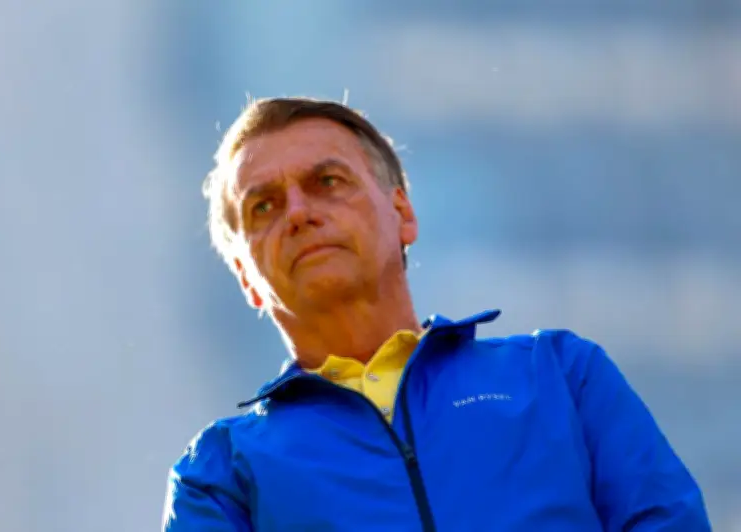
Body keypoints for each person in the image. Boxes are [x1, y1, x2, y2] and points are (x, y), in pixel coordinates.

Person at [162, 96, 711, 531]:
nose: (299, 213)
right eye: (264, 206)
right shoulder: (219, 476)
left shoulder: (562, 375)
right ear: (245, 277)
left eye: (327, 182)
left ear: (402, 212)